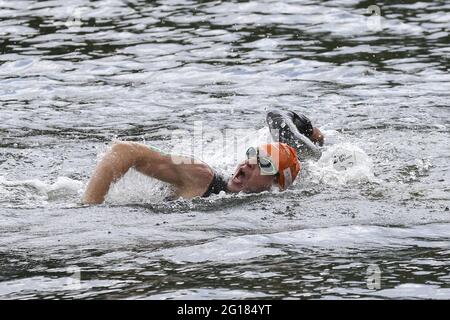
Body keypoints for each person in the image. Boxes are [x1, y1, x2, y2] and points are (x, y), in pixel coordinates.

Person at [82, 110, 324, 204]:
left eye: (264, 163)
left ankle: (308, 133)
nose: (249, 162)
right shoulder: (200, 176)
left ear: (276, 185)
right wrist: (90, 208)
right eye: (252, 154)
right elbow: (124, 150)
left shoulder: (266, 199)